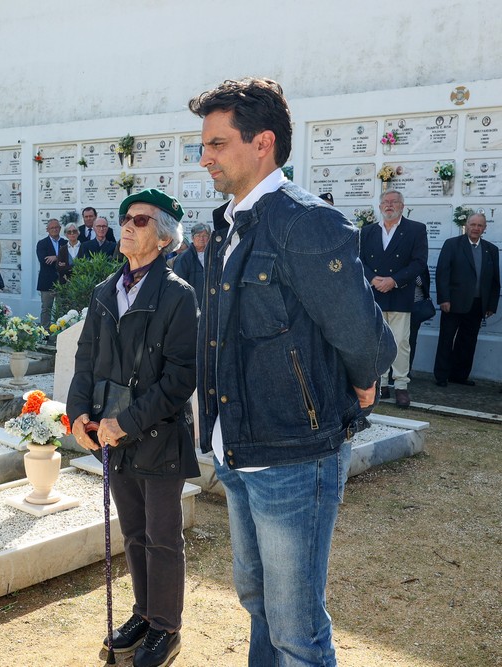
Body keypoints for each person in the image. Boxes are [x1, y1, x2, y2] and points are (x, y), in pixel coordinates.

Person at [189, 77, 395, 666]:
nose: (205, 158)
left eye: (217, 144)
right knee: (258, 602)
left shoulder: (306, 223)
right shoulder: (229, 224)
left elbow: (361, 333)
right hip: (236, 447)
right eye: (203, 145)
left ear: (263, 143)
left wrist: (363, 382)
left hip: (294, 457)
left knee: (297, 630)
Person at [68, 189, 198, 667]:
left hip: (157, 436)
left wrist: (126, 422)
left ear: (163, 238)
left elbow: (180, 379)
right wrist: (77, 413)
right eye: (125, 216)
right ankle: (144, 614)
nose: (127, 224)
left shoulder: (178, 295)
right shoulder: (106, 291)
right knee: (135, 534)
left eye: (141, 220)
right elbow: (86, 358)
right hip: (113, 436)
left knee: (162, 538)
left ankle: (166, 627)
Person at [360, 190, 428, 408]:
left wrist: (394, 280)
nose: (389, 205)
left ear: (402, 206)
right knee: (377, 342)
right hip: (374, 294)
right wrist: (372, 279)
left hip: (400, 293)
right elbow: (358, 260)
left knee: (400, 342)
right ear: (380, 206)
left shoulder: (416, 229)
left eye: (394, 202)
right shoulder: (367, 231)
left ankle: (401, 386)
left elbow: (419, 262)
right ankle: (380, 383)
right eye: (385, 202)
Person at [433, 213, 500, 386]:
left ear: (484, 228)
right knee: (446, 339)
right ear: (466, 225)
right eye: (473, 224)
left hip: (478, 304)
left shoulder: (491, 249)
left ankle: (459, 376)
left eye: (480, 225)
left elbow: (494, 280)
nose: (476, 228)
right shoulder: (452, 244)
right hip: (453, 302)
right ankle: (441, 376)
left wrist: (491, 304)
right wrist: (444, 299)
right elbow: (442, 273)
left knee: (468, 341)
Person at [36, 218, 66, 329]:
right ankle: (45, 331)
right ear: (47, 230)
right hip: (47, 281)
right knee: (46, 308)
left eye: (56, 227)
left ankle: (61, 331)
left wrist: (56, 257)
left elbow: (68, 260)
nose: (54, 229)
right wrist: (60, 259)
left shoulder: (65, 243)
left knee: (62, 308)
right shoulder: (42, 243)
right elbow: (44, 261)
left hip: (62, 281)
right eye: (52, 228)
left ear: (60, 228)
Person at [170, 223, 210, 301]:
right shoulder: (183, 258)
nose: (201, 239)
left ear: (209, 238)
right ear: (192, 238)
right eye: (198, 236)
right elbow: (178, 283)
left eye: (205, 236)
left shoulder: (215, 256)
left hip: (210, 301)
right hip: (191, 302)